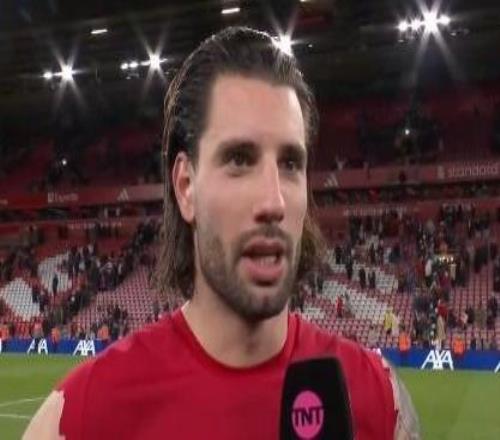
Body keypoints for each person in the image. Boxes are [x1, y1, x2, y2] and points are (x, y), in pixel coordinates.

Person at [24, 27, 419, 439]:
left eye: (290, 164)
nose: (274, 202)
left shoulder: (379, 400)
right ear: (185, 187)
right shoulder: (81, 417)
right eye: (239, 160)